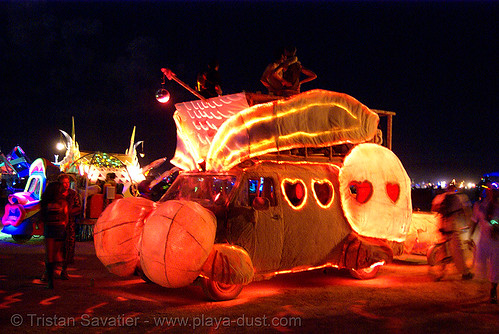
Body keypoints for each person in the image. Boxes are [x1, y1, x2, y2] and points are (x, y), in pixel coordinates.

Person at [431, 183, 473, 280]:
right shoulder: (457, 198)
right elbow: (465, 211)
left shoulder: (440, 197)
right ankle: (465, 273)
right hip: (451, 227)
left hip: (441, 226)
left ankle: (439, 274)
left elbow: (433, 209)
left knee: (442, 251)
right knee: (457, 251)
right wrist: (467, 222)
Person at [469, 181, 499, 303]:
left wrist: (495, 225)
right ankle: (484, 286)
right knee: (480, 264)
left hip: (497, 242)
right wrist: (470, 236)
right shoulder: (479, 205)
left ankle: (493, 290)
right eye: (490, 191)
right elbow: (475, 221)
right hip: (483, 241)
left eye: (495, 191)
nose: (492, 193)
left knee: (495, 266)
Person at [40, 181, 68, 289]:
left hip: (50, 228)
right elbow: (66, 217)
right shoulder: (62, 202)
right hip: (59, 228)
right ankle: (51, 277)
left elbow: (42, 217)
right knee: (55, 254)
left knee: (50, 254)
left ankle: (50, 279)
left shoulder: (46, 202)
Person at [58, 174, 82, 280]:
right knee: (56, 248)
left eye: (68, 182)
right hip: (57, 225)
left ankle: (64, 270)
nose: (66, 185)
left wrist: (69, 213)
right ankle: (48, 271)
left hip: (69, 224)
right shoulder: (55, 194)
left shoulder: (73, 194)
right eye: (64, 182)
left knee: (68, 247)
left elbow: (78, 207)